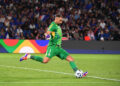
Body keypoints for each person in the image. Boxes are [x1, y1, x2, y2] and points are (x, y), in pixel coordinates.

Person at [20, 14, 88, 78]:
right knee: (45, 61)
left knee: (70, 59)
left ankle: (77, 73)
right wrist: (48, 36)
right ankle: (28, 56)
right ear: (56, 19)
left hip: (58, 48)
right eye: (60, 20)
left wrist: (59, 36)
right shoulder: (53, 25)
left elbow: (55, 34)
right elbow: (47, 33)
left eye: (62, 20)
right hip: (52, 47)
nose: (61, 21)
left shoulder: (57, 25)